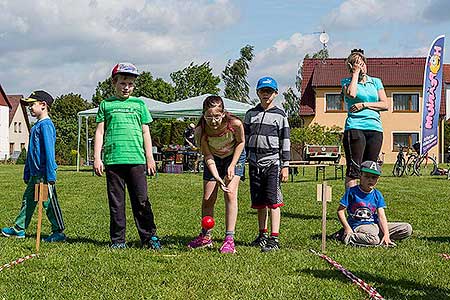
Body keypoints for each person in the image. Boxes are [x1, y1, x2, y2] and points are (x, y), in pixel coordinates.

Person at [93, 62, 160, 250]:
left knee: (141, 200)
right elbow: (99, 132)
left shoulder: (139, 104)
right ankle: (118, 240)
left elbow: (145, 132)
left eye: (130, 84)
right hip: (113, 160)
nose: (126, 87)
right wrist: (97, 158)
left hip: (136, 160)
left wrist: (150, 157)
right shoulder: (106, 105)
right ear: (114, 82)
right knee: (117, 203)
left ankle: (149, 237)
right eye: (123, 83)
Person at [1, 91, 66, 242]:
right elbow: (31, 152)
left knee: (49, 202)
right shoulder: (36, 125)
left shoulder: (46, 126)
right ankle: (19, 229)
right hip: (35, 174)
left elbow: (49, 152)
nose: (30, 108)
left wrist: (50, 174)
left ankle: (59, 231)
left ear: (43, 105)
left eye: (32, 104)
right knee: (28, 200)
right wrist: (27, 171)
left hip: (44, 174)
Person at [187, 95, 245, 254]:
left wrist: (232, 165)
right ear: (203, 115)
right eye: (208, 117)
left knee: (230, 194)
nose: (213, 121)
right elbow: (207, 156)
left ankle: (229, 240)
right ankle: (206, 238)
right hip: (214, 160)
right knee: (208, 199)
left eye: (217, 117)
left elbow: (241, 143)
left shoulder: (235, 124)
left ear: (223, 113)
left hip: (234, 156)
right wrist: (217, 176)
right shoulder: (201, 130)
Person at [244, 77, 290, 252]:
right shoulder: (250, 114)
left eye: (269, 92)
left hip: (272, 163)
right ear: (257, 93)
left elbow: (285, 140)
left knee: (273, 201)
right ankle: (262, 235)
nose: (266, 95)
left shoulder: (280, 115)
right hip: (254, 163)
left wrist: (285, 165)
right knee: (259, 202)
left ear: (275, 94)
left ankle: (274, 238)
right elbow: (245, 139)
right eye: (263, 91)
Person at [335, 160, 413, 247]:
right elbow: (340, 211)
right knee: (374, 239)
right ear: (360, 176)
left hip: (375, 225)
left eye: (374, 177)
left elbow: (381, 216)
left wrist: (386, 234)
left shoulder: (377, 194)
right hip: (359, 225)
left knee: (407, 228)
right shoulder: (352, 192)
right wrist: (347, 228)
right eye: (367, 176)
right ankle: (346, 236)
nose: (370, 180)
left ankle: (381, 238)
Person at [341, 49, 388, 188]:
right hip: (355, 127)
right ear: (351, 67)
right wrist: (355, 74)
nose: (361, 67)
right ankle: (352, 204)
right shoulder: (346, 82)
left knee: (369, 169)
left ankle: (365, 205)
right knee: (354, 169)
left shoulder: (376, 82)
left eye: (363, 64)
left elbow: (385, 104)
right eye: (357, 64)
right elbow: (352, 94)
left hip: (375, 128)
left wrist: (364, 105)